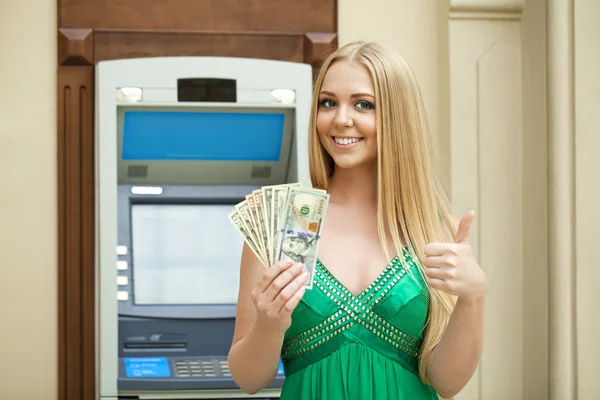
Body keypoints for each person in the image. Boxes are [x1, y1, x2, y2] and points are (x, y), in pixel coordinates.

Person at [227, 41, 486, 399]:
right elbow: (248, 379)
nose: (340, 119)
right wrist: (269, 327)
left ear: (398, 117)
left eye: (363, 104)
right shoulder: (289, 219)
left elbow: (447, 383)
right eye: (328, 102)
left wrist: (474, 297)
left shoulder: (431, 227)